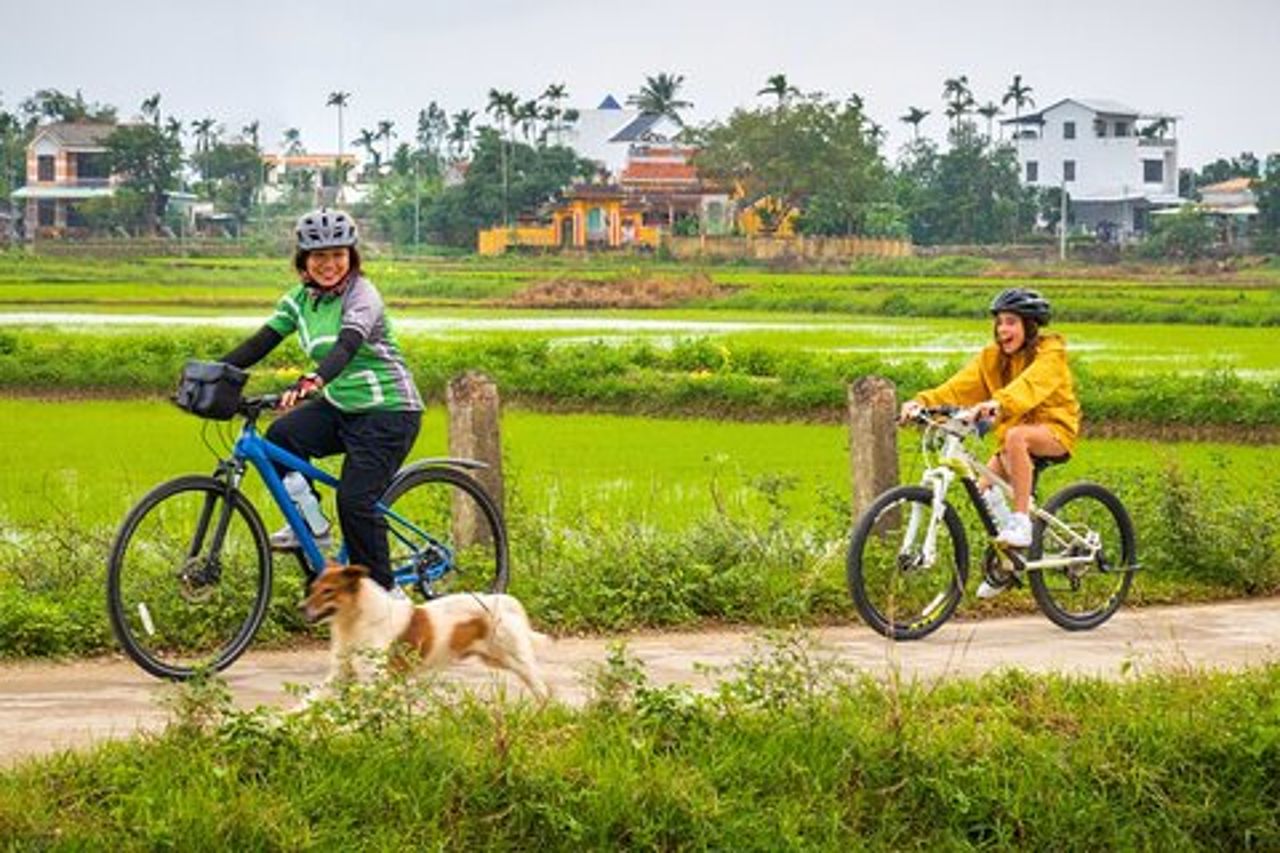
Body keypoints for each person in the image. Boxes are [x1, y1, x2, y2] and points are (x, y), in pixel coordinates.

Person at [220, 208, 423, 593]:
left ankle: (386, 594)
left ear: (351, 257)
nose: (329, 264)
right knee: (281, 438)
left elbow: (347, 345)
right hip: (342, 406)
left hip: (388, 412)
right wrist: (215, 371)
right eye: (319, 256)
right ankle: (312, 525)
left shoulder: (363, 294)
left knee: (355, 501)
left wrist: (314, 379)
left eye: (338, 255)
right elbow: (261, 342)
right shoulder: (300, 300)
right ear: (304, 261)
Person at [900, 288, 1080, 597]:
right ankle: (1011, 563)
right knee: (983, 491)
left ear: (1030, 326)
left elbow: (1030, 386)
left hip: (1054, 430)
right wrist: (922, 403)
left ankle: (1022, 523)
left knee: (1016, 436)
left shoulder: (1051, 354)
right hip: (1013, 439)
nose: (1002, 330)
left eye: (1011, 322)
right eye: (999, 323)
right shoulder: (992, 358)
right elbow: (958, 388)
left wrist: (998, 403)